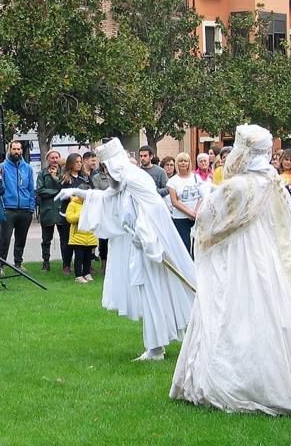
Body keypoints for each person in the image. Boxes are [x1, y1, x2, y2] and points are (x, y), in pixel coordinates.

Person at [170, 124, 291, 415]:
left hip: (243, 254)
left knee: (239, 310)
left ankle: (248, 382)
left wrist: (208, 205)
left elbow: (209, 220)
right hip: (273, 253)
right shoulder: (273, 180)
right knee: (278, 310)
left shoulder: (239, 186)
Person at [55, 138, 195, 361]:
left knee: (155, 292)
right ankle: (155, 346)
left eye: (108, 170)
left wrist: (146, 236)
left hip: (150, 247)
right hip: (139, 246)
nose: (107, 175)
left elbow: (154, 208)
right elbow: (106, 197)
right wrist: (76, 192)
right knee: (148, 293)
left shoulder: (135, 179)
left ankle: (156, 348)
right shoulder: (122, 183)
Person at [0, 141, 35, 270]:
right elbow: (0, 188)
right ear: (9, 150)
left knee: (21, 239)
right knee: (5, 239)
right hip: (8, 208)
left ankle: (18, 263)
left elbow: (31, 189)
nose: (16, 151)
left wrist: (31, 207)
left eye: (18, 149)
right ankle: (0, 265)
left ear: (21, 151)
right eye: (14, 149)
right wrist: (3, 206)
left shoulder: (28, 168)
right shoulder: (2, 167)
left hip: (25, 209)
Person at [167, 153, 206, 254]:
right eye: (181, 161)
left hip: (197, 216)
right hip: (180, 218)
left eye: (185, 161)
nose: (183, 163)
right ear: (177, 163)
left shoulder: (196, 178)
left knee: (198, 246)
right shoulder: (172, 181)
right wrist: (189, 213)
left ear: (189, 163)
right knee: (184, 246)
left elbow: (201, 196)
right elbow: (174, 201)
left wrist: (196, 212)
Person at [36, 151, 65, 273]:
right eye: (52, 158)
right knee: (46, 239)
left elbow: (65, 188)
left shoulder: (64, 172)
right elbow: (40, 190)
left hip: (61, 210)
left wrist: (55, 178)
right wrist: (56, 192)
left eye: (56, 157)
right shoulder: (42, 173)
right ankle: (46, 262)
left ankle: (66, 263)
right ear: (47, 159)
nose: (54, 160)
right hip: (47, 210)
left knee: (64, 239)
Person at [65, 189, 97, 284]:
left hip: (90, 236)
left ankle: (86, 273)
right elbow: (69, 218)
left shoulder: (92, 205)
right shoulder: (72, 204)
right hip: (78, 237)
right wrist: (82, 214)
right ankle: (78, 276)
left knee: (88, 257)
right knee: (79, 257)